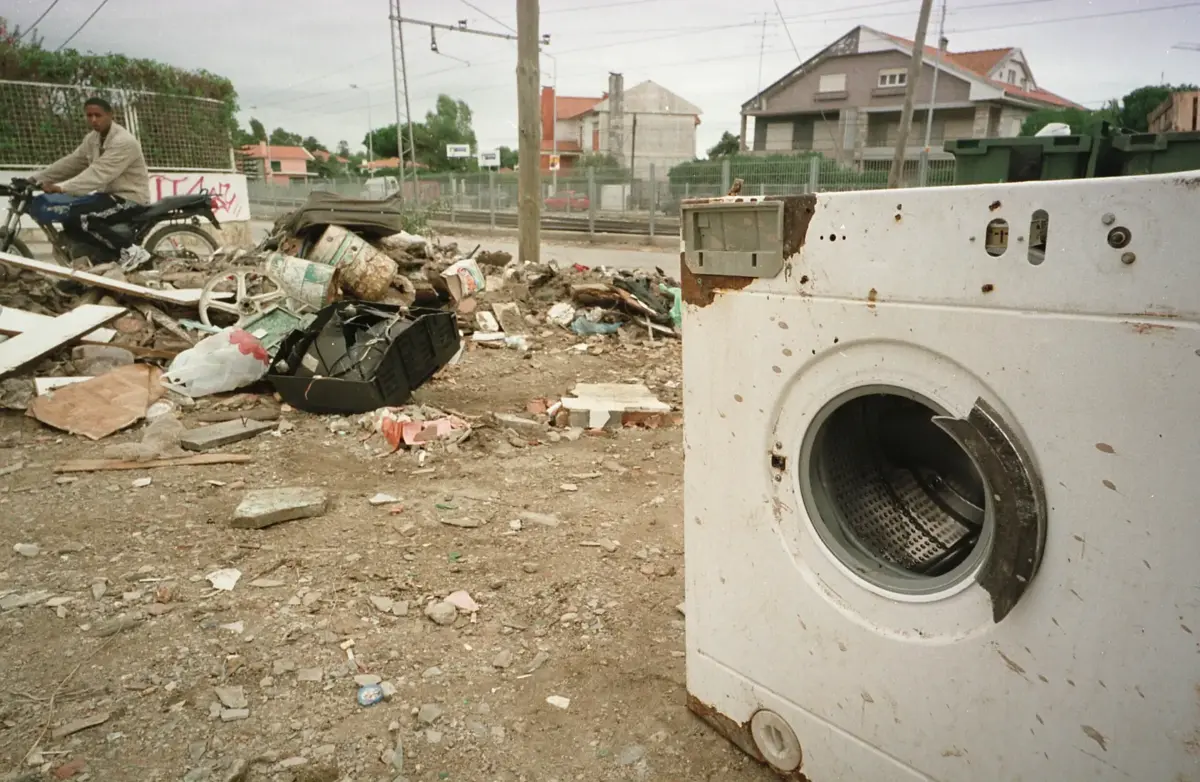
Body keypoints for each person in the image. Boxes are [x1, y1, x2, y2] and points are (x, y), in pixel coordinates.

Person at [30, 96, 150, 257]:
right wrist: (35, 179)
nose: (93, 120)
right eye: (89, 115)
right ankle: (96, 257)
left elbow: (99, 173)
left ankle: (132, 253)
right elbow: (72, 163)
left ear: (110, 115)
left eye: (98, 115)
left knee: (81, 217)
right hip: (108, 197)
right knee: (68, 215)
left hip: (129, 199)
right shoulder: (92, 139)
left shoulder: (124, 141)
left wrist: (62, 188)